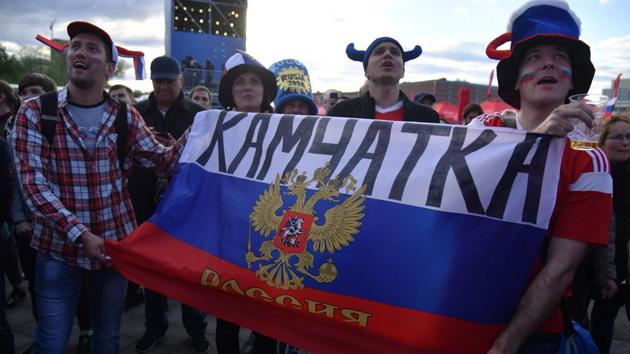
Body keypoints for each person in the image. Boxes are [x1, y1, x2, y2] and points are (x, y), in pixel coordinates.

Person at [12, 21, 188, 354]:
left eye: (93, 48)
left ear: (108, 68)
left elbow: (163, 162)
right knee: (50, 342)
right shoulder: (36, 112)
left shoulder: (126, 116)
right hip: (56, 251)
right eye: (76, 45)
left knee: (107, 338)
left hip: (111, 251)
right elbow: (33, 186)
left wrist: (203, 130)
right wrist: (80, 234)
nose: (80, 51)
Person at [470, 2, 612, 353]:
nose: (548, 62)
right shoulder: (482, 131)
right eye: (533, 56)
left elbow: (561, 269)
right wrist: (536, 141)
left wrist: (504, 346)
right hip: (457, 311)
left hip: (532, 334)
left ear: (571, 81)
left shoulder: (591, 162)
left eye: (559, 55)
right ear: (516, 82)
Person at [131, 55, 209, 354]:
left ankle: (197, 329)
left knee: (189, 271)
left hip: (185, 207)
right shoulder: (135, 113)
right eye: (158, 80)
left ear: (181, 81)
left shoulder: (200, 115)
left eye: (169, 80)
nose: (163, 86)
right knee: (151, 272)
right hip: (144, 201)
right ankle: (155, 327)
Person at [216, 50, 278, 354]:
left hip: (271, 238)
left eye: (255, 81)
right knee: (226, 317)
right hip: (228, 237)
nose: (248, 87)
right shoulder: (212, 128)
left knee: (267, 319)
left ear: (265, 91)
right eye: (239, 82)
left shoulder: (288, 130)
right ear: (230, 91)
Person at [589, 114, 630, 354]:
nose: (625, 142)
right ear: (602, 142)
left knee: (605, 324)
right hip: (590, 260)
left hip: (623, 264)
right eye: (617, 137)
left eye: (629, 136)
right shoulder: (593, 172)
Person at [329, 37, 439, 124]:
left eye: (395, 52)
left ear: (403, 71)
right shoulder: (341, 113)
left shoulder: (428, 117)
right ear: (366, 71)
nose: (387, 54)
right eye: (379, 52)